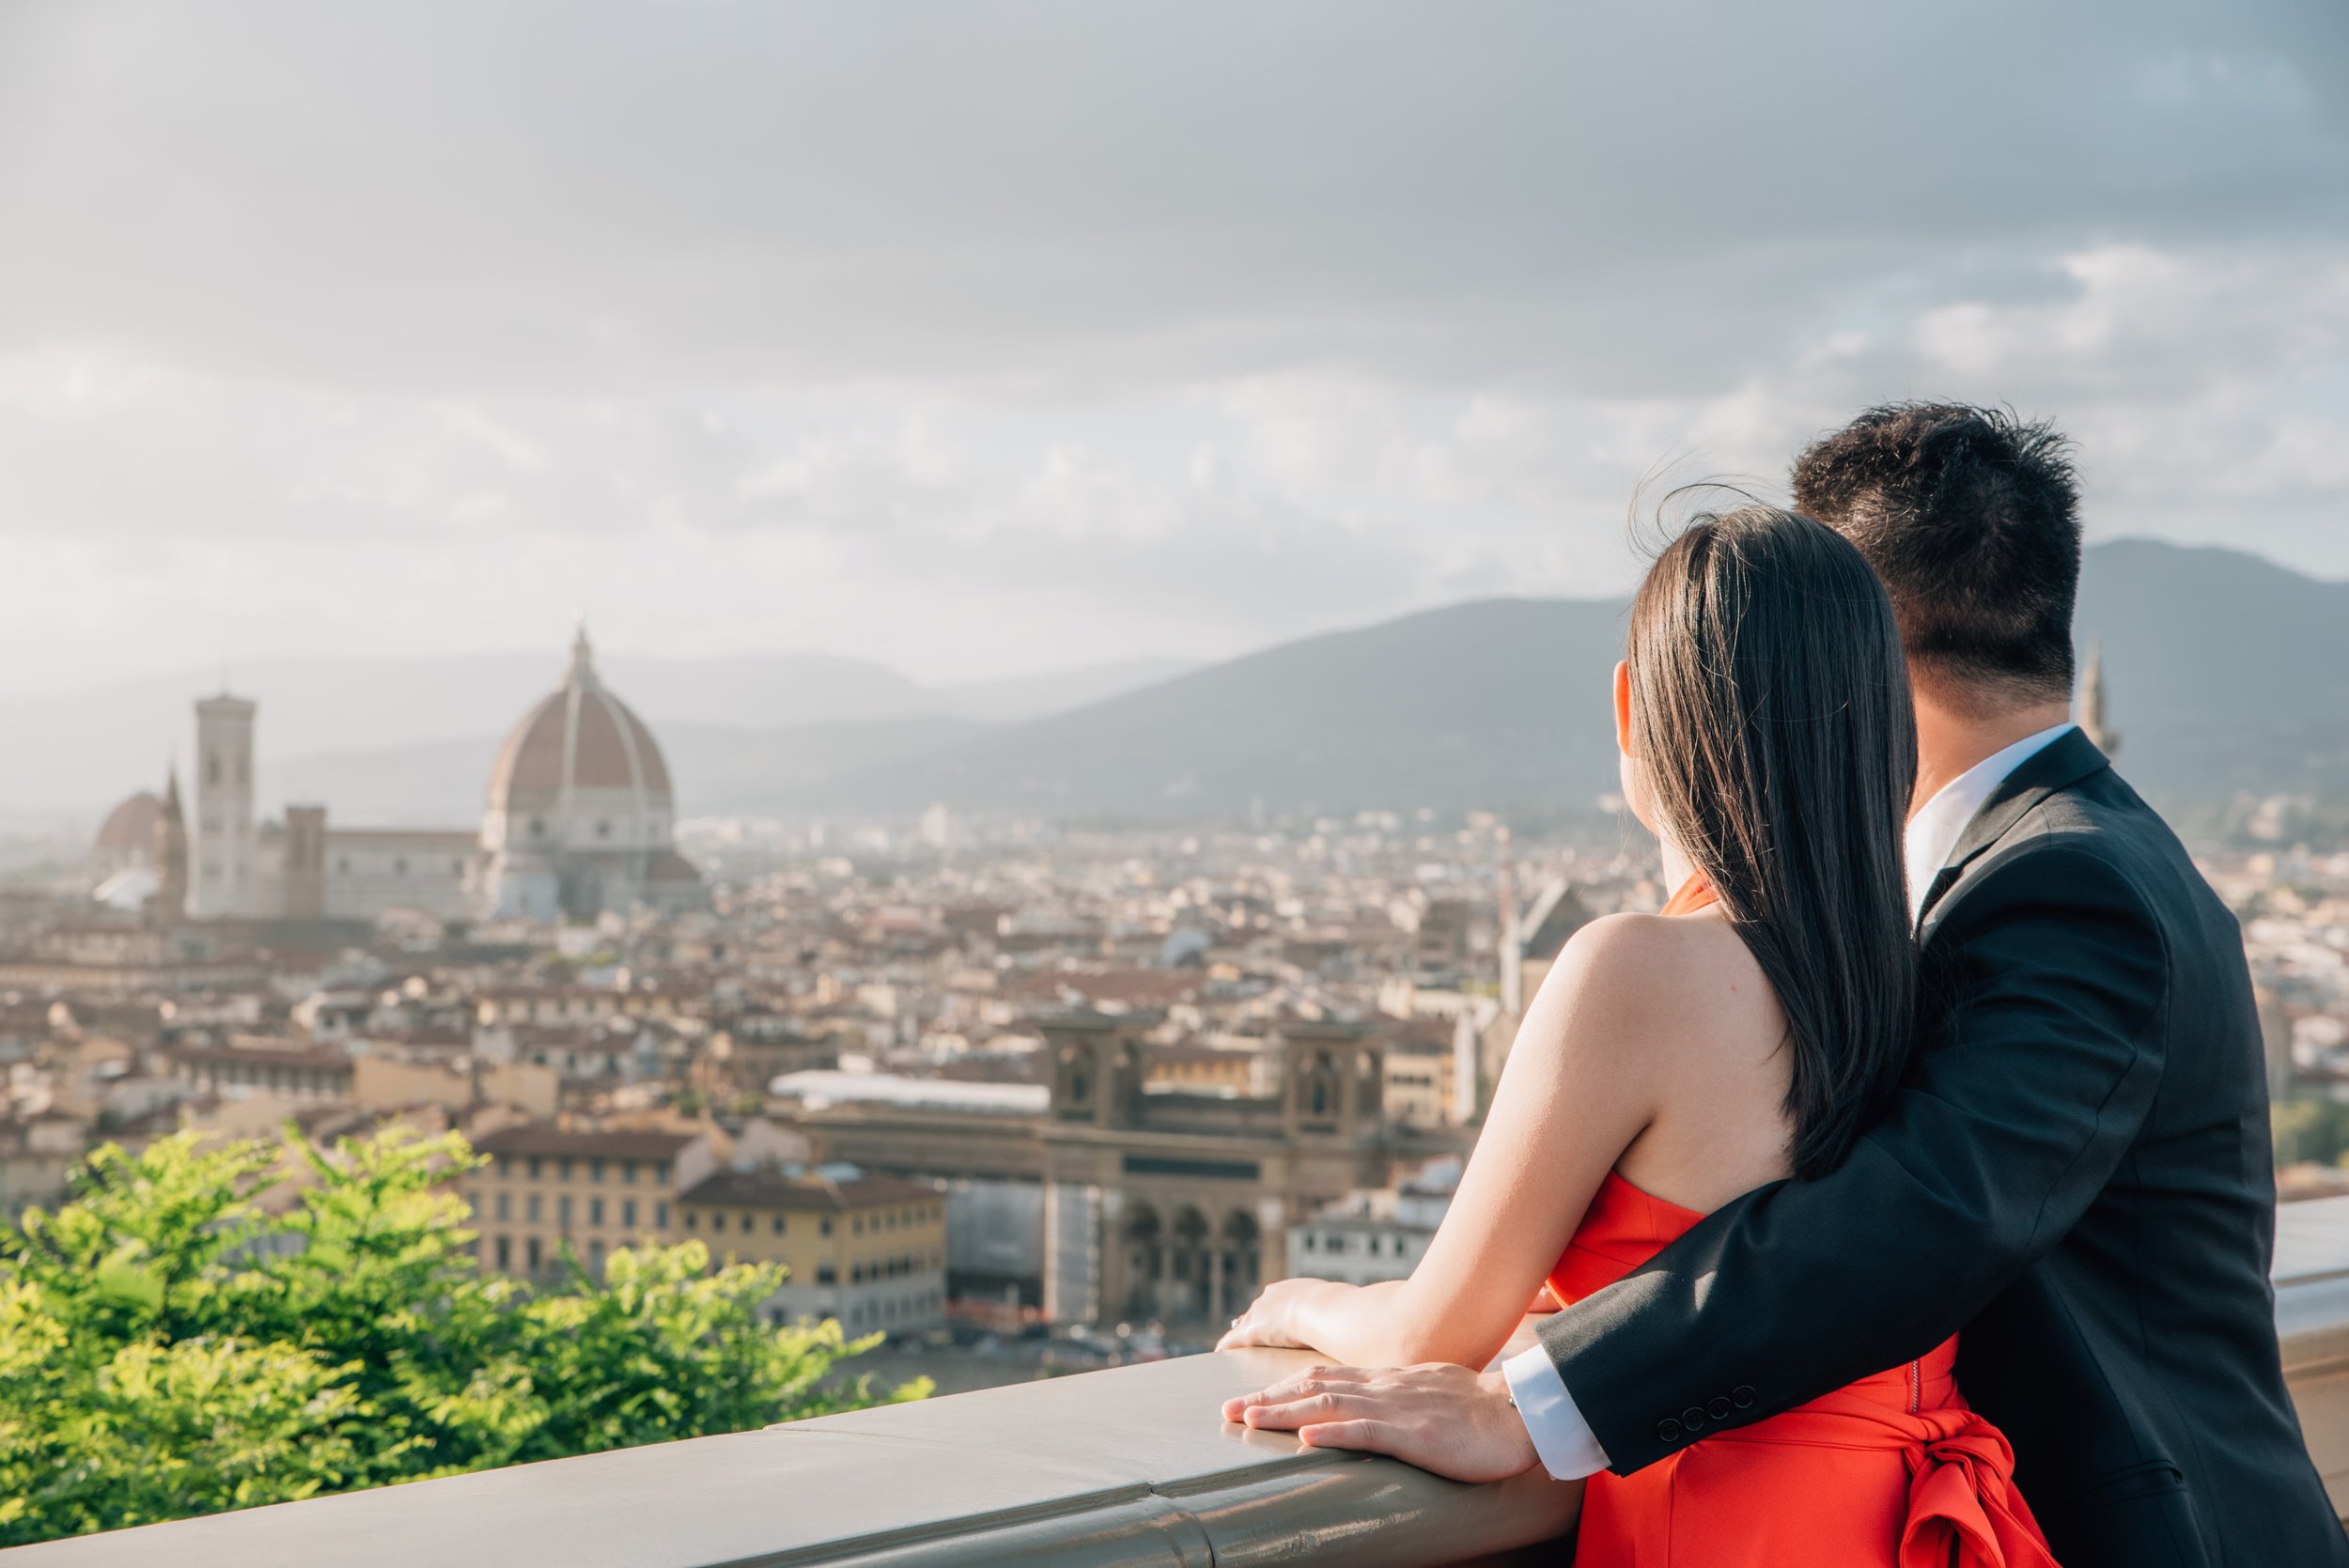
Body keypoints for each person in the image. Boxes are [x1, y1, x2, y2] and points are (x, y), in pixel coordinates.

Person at [1224, 405, 2349, 1567]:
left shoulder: (2064, 883)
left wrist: (1533, 1403)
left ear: (1855, 642)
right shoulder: (2044, 866)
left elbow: (1921, 1218)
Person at [1221, 500, 2061, 1564]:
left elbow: (1427, 1337)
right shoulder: (1928, 973)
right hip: (1908, 1518)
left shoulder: (1634, 972)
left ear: (1631, 712)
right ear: (1885, 734)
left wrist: (1305, 1299)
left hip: (1724, 1523)